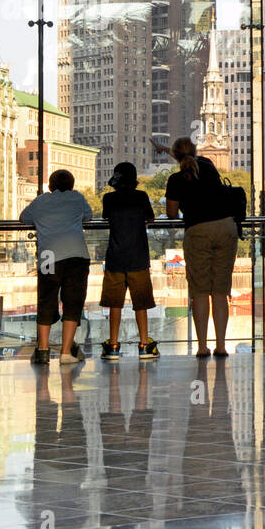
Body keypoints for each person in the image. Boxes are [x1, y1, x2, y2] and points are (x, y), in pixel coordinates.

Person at [154, 136, 237, 357]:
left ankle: (201, 346)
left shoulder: (175, 179)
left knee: (200, 292)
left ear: (176, 156)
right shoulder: (209, 166)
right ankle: (221, 346)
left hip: (198, 231)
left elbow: (172, 213)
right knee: (220, 292)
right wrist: (169, 150)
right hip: (225, 228)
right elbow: (190, 159)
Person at [20, 169, 93, 365]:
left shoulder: (41, 201)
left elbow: (24, 218)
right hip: (76, 254)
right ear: (71, 185)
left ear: (50, 186)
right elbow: (88, 216)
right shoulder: (77, 198)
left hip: (48, 255)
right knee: (73, 302)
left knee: (46, 299)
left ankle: (42, 350)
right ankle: (66, 352)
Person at [99, 162, 160, 361]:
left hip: (115, 257)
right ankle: (144, 345)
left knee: (114, 304)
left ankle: (113, 345)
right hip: (138, 257)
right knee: (140, 303)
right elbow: (150, 218)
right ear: (134, 180)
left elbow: (107, 217)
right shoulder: (141, 197)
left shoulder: (109, 198)